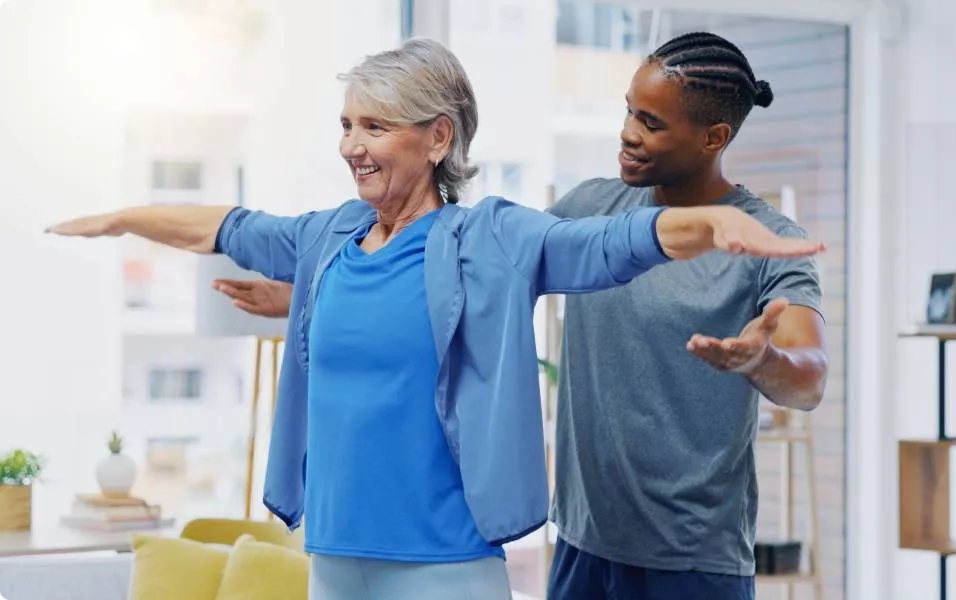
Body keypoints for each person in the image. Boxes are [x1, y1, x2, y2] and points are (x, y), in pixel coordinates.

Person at [48, 38, 824, 600]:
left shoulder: (492, 237)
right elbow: (230, 227)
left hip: (468, 562)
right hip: (347, 554)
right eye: (347, 124)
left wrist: (716, 231)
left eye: (375, 126)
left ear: (438, 137)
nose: (352, 145)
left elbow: (612, 247)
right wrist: (122, 218)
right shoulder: (328, 240)